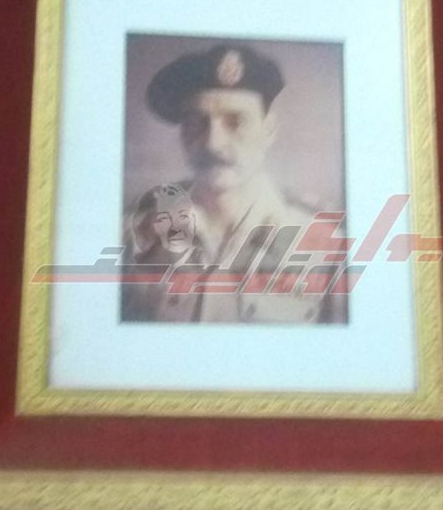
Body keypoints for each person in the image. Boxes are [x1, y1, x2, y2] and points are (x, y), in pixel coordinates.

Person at [120, 42, 346, 324]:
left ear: (268, 131)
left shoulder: (327, 244)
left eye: (236, 122)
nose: (213, 143)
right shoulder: (134, 234)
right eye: (196, 122)